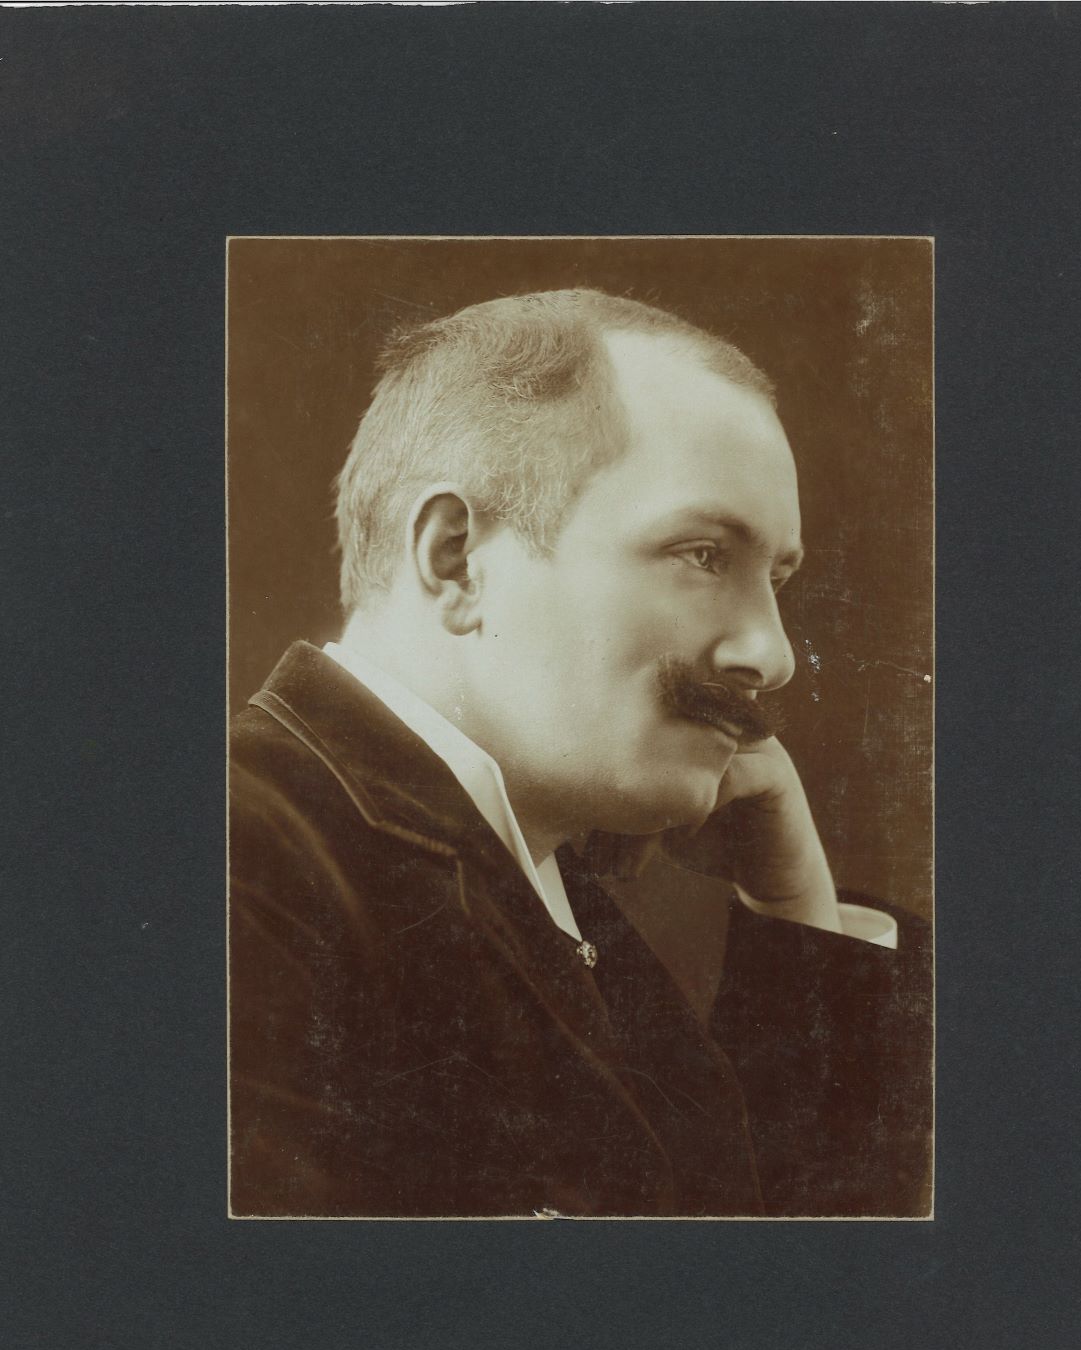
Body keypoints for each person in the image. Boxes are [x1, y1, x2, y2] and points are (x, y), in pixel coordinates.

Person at [229, 288, 931, 1218]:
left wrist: (797, 910)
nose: (773, 655)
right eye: (703, 555)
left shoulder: (551, 891)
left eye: (777, 578)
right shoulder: (242, 861)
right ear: (456, 560)